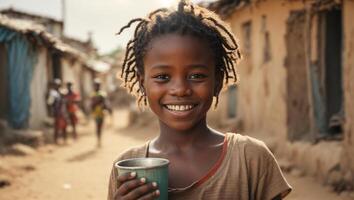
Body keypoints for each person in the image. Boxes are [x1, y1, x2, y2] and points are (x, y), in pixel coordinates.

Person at [108, 1, 292, 199]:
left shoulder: (250, 159)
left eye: (196, 76)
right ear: (142, 82)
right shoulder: (128, 166)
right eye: (162, 77)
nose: (180, 90)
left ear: (217, 82)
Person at [91, 79, 112, 147]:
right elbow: (91, 105)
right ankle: (98, 140)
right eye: (95, 85)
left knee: (99, 127)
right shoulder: (93, 94)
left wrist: (106, 109)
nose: (96, 87)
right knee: (97, 127)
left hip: (101, 113)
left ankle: (99, 140)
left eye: (97, 85)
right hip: (96, 114)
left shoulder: (102, 94)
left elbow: (106, 103)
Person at [47, 79, 68, 144]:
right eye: (56, 85)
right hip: (57, 112)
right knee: (56, 127)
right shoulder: (53, 93)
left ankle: (65, 139)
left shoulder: (62, 92)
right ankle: (56, 140)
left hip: (63, 112)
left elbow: (66, 101)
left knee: (64, 126)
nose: (57, 86)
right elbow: (49, 103)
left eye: (58, 85)